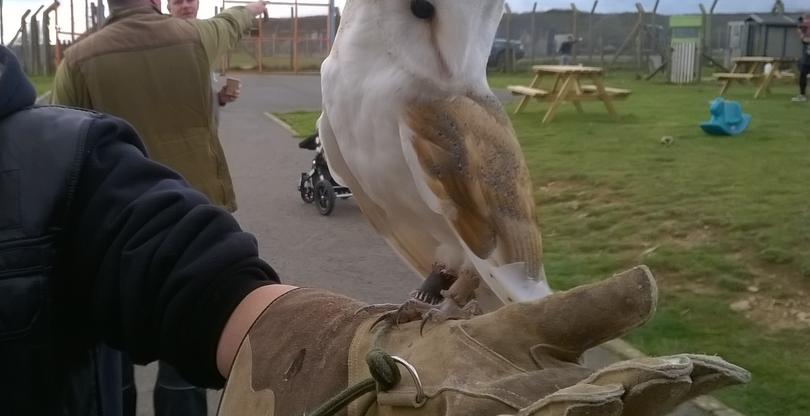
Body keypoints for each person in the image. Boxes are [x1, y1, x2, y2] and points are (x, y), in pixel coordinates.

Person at [3, 46, 749, 415]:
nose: (457, 53)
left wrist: (335, 353)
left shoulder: (58, 159)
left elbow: (187, 274)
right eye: (425, 13)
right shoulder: (344, 118)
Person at [50, 0, 266, 415]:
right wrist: (252, 8)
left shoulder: (79, 59)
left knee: (113, 339)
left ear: (111, 0)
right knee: (187, 331)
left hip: (114, 219)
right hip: (195, 208)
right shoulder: (194, 36)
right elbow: (230, 23)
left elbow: (59, 131)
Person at [165, 0, 240, 113]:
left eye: (190, 0)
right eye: (178, 2)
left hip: (203, 122)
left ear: (197, 3)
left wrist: (220, 98)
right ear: (169, 8)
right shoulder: (163, 41)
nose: (186, 5)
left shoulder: (204, 37)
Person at [792, 15, 810, 102]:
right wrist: (802, 35)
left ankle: (802, 95)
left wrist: (802, 35)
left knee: (803, 74)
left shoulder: (806, 25)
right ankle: (802, 95)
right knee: (803, 75)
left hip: (807, 58)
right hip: (806, 58)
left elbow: (806, 39)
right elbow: (804, 39)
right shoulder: (804, 27)